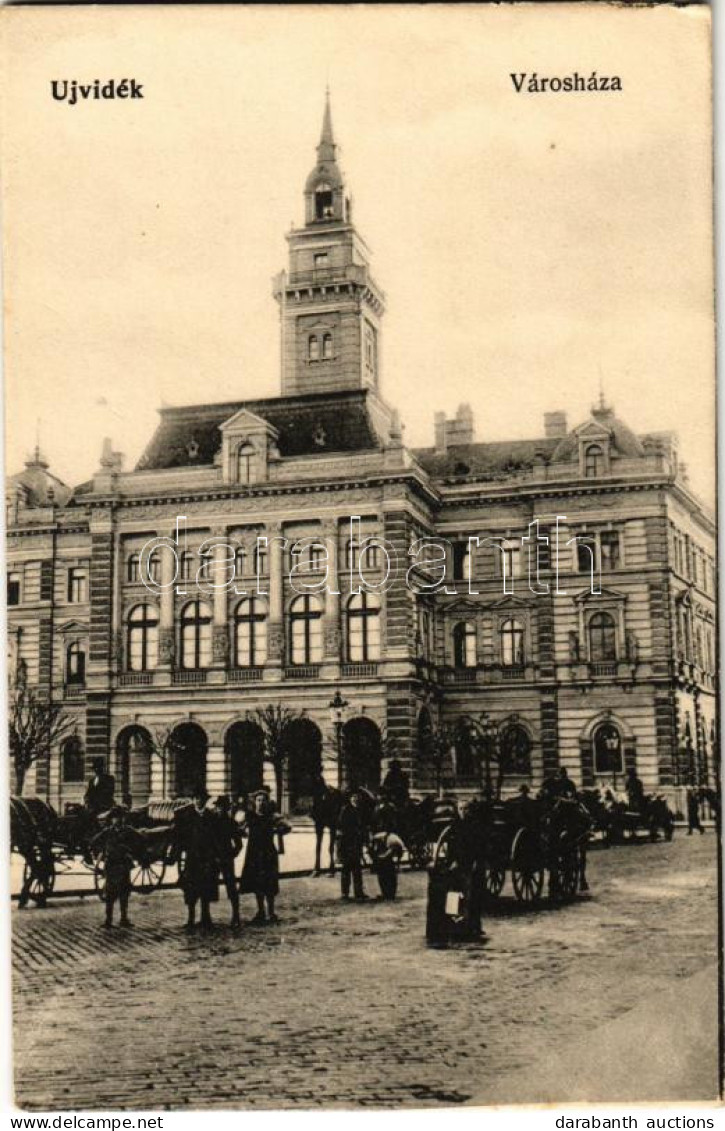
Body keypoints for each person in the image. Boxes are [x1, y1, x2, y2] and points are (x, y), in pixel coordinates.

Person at [239, 792, 291, 924]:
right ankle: (261, 911)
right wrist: (243, 832)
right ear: (254, 802)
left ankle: (271, 912)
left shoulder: (272, 817)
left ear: (267, 802)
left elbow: (287, 827)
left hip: (268, 853)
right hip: (254, 853)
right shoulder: (249, 816)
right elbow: (240, 828)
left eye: (263, 800)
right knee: (257, 884)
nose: (260, 803)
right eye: (258, 800)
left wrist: (276, 830)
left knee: (270, 883)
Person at [179, 786, 220, 930]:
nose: (198, 801)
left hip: (207, 858)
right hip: (192, 858)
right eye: (196, 799)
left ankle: (205, 918)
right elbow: (182, 836)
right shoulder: (187, 816)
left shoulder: (211, 816)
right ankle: (190, 918)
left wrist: (215, 856)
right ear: (192, 800)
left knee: (206, 888)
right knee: (191, 889)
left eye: (201, 799)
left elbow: (216, 838)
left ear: (205, 800)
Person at [91, 806, 136, 929]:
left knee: (124, 893)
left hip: (123, 865)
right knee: (110, 894)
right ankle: (108, 920)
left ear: (123, 818)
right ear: (111, 819)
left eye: (120, 817)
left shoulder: (129, 831)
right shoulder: (107, 832)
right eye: (115, 818)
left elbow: (140, 841)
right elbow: (94, 842)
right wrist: (101, 853)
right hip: (111, 865)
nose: (117, 820)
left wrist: (131, 851)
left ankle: (124, 918)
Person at [213, 795, 244, 928]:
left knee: (231, 887)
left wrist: (232, 854)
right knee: (209, 886)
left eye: (222, 807)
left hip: (226, 858)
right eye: (218, 807)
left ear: (226, 809)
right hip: (213, 858)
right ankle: (206, 917)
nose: (219, 809)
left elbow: (239, 844)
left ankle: (236, 915)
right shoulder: (211, 822)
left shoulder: (230, 822)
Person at [337, 790, 368, 901]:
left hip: (356, 843)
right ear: (350, 798)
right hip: (347, 843)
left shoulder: (360, 810)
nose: (355, 799)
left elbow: (363, 826)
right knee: (346, 868)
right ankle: (345, 893)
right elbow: (342, 826)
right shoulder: (346, 810)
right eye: (353, 797)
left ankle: (358, 892)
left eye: (357, 797)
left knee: (357, 869)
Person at [370, 830, 405, 900]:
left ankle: (388, 894)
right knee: (386, 873)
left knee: (386, 873)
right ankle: (388, 893)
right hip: (384, 844)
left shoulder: (393, 843)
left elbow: (387, 855)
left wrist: (378, 858)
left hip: (387, 851)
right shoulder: (391, 841)